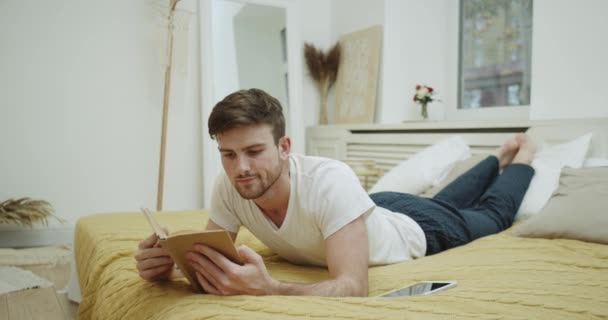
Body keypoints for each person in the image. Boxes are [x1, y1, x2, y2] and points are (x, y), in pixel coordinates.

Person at [135, 88, 536, 297]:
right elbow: (215, 258)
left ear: (285, 147)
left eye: (254, 151)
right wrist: (170, 266)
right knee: (444, 198)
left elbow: (353, 287)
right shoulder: (229, 185)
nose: (240, 168)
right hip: (370, 211)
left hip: (417, 229)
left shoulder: (330, 180)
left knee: (491, 216)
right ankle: (496, 156)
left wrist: (271, 288)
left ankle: (522, 157)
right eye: (228, 154)